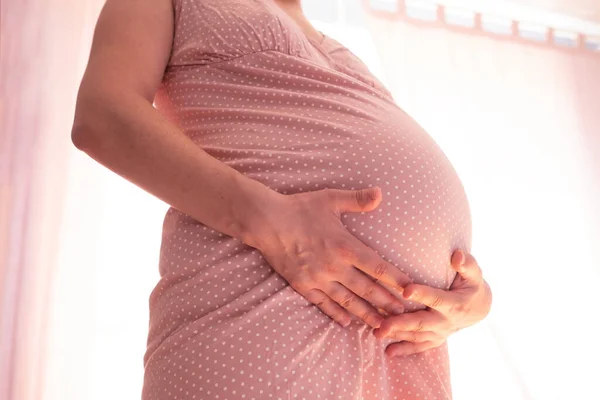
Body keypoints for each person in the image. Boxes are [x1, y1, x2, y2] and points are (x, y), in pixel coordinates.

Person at [71, 0, 492, 398]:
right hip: (259, 306)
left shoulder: (330, 39)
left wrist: (466, 301)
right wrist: (279, 225)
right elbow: (103, 117)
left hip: (400, 349)